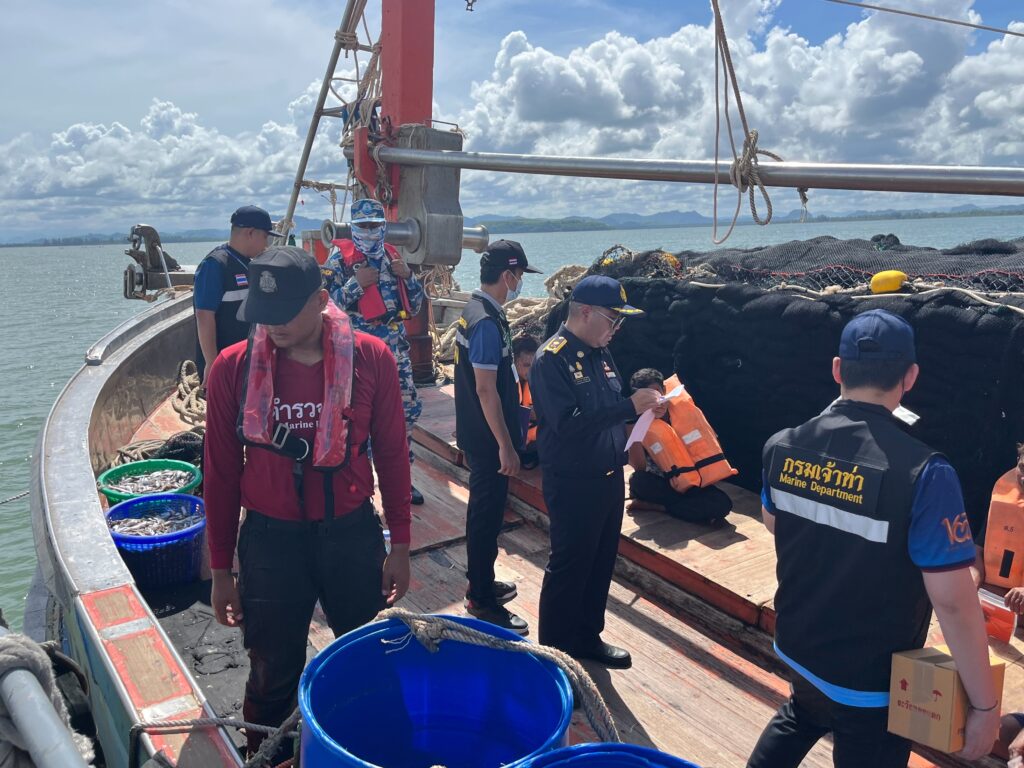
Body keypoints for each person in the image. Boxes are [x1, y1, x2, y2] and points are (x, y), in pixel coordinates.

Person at [748, 309, 1000, 767]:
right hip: (872, 677)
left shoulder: (782, 443)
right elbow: (952, 602)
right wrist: (984, 706)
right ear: (911, 377)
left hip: (799, 642)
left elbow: (775, 522)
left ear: (837, 369)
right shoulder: (926, 472)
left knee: (803, 711)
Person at [203, 246, 411, 758]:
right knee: (271, 672)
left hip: (351, 535)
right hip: (270, 542)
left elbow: (392, 453)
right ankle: (269, 756)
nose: (271, 325)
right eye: (263, 312)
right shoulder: (231, 368)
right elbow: (221, 474)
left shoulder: (371, 358)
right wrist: (221, 571)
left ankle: (365, 752)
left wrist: (402, 545)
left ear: (320, 300)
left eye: (284, 312)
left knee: (366, 661)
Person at [530, 275, 660, 668]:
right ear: (585, 312)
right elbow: (567, 424)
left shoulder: (601, 353)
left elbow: (611, 407)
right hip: (573, 482)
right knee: (569, 566)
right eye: (613, 318)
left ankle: (588, 637)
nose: (617, 328)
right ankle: (555, 654)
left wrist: (644, 408)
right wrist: (628, 407)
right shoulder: (551, 360)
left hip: (608, 475)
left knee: (600, 562)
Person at [454, 240, 540, 634]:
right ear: (507, 275)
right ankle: (480, 599)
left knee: (486, 513)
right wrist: (506, 445)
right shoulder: (486, 323)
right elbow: (486, 390)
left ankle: (482, 580)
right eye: (519, 276)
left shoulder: (477, 310)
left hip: (479, 432)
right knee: (486, 516)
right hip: (488, 440)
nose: (519, 283)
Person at [324, 198, 427, 504]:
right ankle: (361, 488)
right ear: (353, 228)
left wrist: (408, 277)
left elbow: (415, 307)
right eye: (364, 226)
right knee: (360, 419)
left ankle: (402, 482)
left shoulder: (393, 259)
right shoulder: (338, 263)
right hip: (358, 354)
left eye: (375, 225)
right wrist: (355, 285)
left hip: (395, 351)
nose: (370, 231)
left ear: (383, 227)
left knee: (405, 413)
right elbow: (325, 308)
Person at [626, 368, 731, 524]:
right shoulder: (636, 423)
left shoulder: (686, 411)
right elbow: (638, 466)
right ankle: (684, 509)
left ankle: (659, 507)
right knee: (638, 481)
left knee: (723, 504)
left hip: (691, 482)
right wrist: (632, 427)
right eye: (646, 397)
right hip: (660, 483)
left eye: (656, 393)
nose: (654, 401)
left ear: (664, 390)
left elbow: (713, 445)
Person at [193, 205, 274, 380]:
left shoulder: (247, 263)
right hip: (225, 365)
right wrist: (212, 363)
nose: (266, 244)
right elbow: (204, 315)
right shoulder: (214, 265)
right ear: (250, 233)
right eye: (265, 237)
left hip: (246, 360)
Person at [513, 335, 540, 469]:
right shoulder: (506, 385)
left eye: (533, 365)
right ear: (515, 361)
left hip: (534, 439)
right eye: (526, 365)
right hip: (514, 443)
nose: (530, 370)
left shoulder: (541, 379)